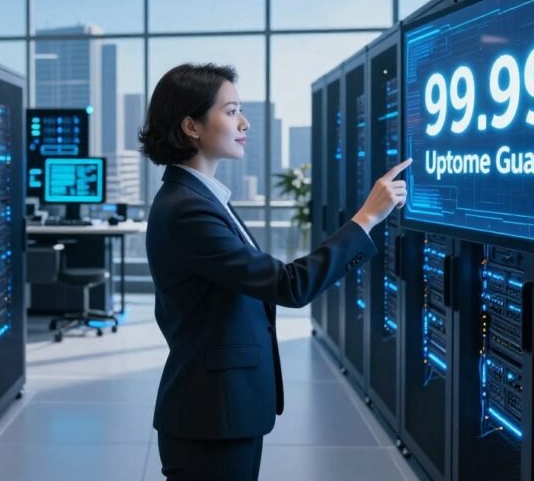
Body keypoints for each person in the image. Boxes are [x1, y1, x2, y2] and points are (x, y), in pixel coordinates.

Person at [138, 63, 412, 481]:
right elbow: (288, 285)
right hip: (210, 416)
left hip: (223, 409)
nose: (244, 123)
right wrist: (367, 218)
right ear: (191, 126)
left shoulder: (200, 199)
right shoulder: (187, 209)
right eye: (231, 112)